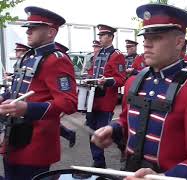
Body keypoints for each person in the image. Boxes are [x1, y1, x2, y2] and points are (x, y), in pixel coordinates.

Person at [91, 3, 187, 180]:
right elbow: (127, 120)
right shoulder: (134, 82)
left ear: (178, 42)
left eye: (156, 37)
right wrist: (113, 129)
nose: (147, 44)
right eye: (145, 37)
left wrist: (165, 177)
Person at [0, 6, 77, 180]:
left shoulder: (56, 60)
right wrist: (3, 98)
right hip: (13, 138)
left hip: (36, 145)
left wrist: (27, 108)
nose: (28, 31)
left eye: (34, 27)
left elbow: (68, 102)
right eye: (28, 27)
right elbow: (16, 91)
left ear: (51, 32)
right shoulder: (27, 57)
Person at [85, 24, 126, 168]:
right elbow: (92, 72)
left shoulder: (117, 55)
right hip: (92, 100)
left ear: (110, 37)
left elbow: (121, 79)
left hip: (106, 101)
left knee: (101, 132)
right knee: (91, 132)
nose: (100, 38)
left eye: (102, 35)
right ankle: (99, 163)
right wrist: (87, 77)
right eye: (99, 36)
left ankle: (120, 145)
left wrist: (107, 81)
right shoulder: (97, 54)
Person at [55, 42, 77, 148]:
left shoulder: (62, 62)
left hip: (56, 99)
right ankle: (69, 134)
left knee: (52, 123)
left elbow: (66, 87)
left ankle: (69, 134)